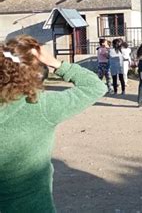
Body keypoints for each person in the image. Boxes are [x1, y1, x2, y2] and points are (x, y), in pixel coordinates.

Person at [0, 35, 107, 212]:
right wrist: (55, 63)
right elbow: (95, 86)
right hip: (35, 207)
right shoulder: (40, 106)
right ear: (37, 72)